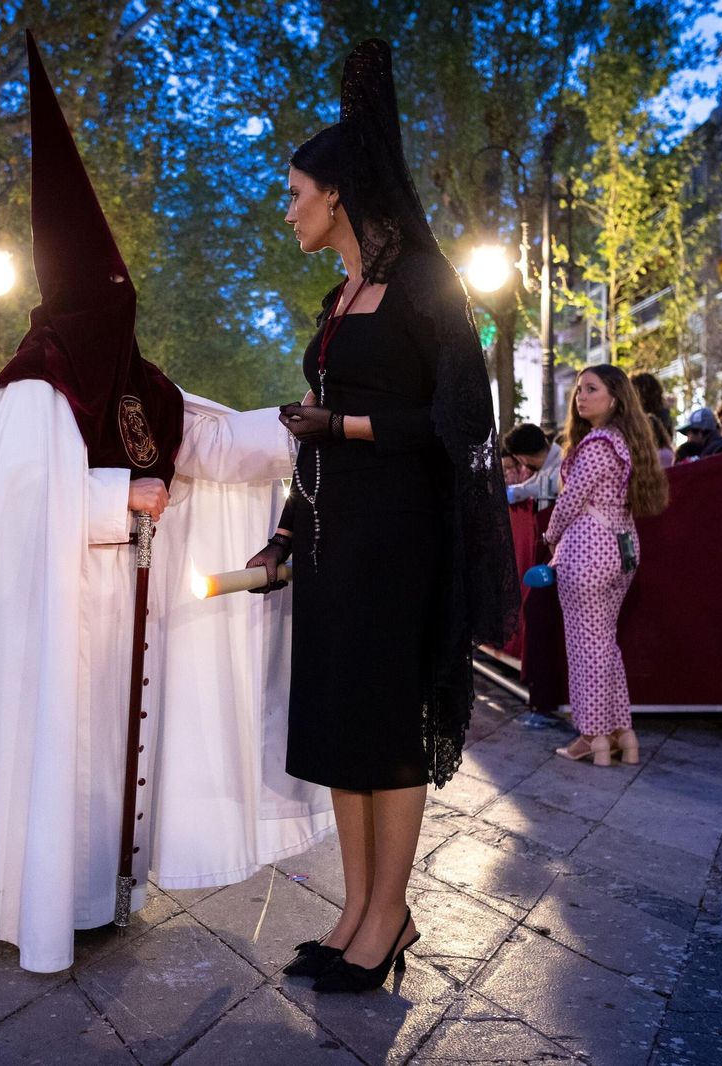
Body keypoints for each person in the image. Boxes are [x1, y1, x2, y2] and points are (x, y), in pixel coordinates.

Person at [0, 33, 332, 975]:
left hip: (122, 615)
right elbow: (17, 504)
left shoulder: (139, 383)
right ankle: (37, 904)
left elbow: (213, 444)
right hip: (54, 623)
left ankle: (96, 895)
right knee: (60, 757)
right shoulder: (30, 382)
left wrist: (310, 421)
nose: (118, 312)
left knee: (107, 766)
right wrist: (117, 496)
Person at [246, 39, 518, 995]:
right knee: (341, 730)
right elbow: (309, 438)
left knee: (389, 732)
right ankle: (358, 912)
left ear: (338, 196)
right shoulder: (336, 298)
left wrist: (345, 422)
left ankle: (390, 916)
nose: (287, 211)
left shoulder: (425, 292)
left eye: (293, 194)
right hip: (329, 540)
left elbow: (459, 420)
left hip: (396, 542)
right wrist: (286, 529)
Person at [544, 364, 669, 767]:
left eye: (590, 389)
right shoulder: (625, 441)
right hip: (623, 548)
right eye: (579, 389)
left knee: (585, 649)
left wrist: (549, 538)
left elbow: (569, 501)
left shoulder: (596, 445)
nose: (580, 396)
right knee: (605, 644)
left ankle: (591, 737)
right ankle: (622, 733)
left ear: (613, 398)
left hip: (587, 552)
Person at [502, 423, 563, 510]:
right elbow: (529, 485)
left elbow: (542, 488)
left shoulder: (562, 464)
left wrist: (507, 494)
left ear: (522, 458)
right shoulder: (547, 465)